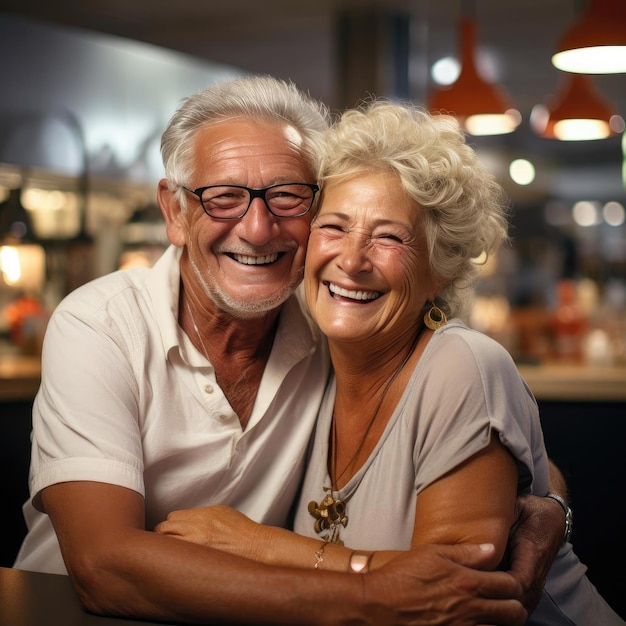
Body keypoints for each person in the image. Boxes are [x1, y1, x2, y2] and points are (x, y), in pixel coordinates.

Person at [13, 75, 561, 625]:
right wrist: (372, 598)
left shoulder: (333, 324)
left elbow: (483, 432)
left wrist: (548, 511)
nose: (256, 228)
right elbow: (104, 567)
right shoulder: (100, 326)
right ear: (175, 212)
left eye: (286, 196)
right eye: (223, 196)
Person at [155, 100, 625, 624]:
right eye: (333, 227)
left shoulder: (462, 364)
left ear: (440, 269)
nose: (352, 261)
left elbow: (457, 602)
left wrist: (263, 546)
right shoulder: (311, 360)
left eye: (388, 237)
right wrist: (552, 503)